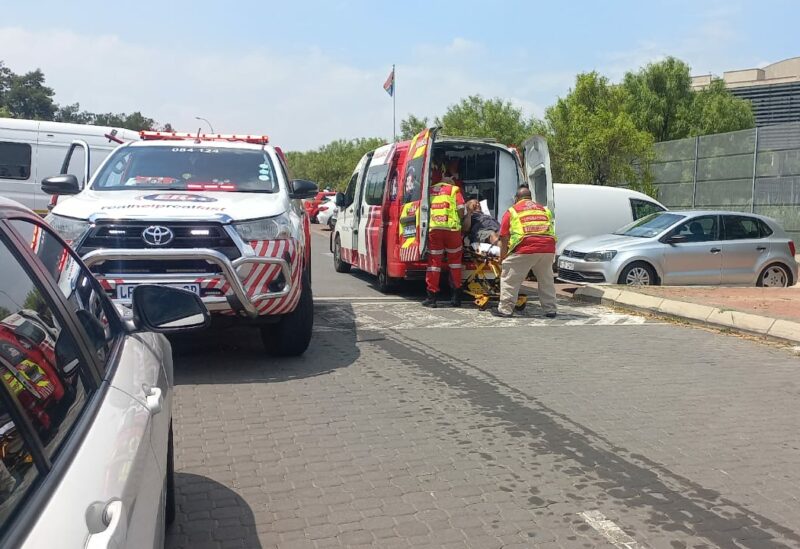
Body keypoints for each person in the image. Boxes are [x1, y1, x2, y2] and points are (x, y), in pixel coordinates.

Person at [493, 186, 557, 318]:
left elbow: (504, 238)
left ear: (516, 199)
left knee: (510, 278)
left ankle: (505, 309)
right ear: (530, 198)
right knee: (546, 280)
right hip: (547, 248)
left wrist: (503, 257)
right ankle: (550, 310)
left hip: (526, 248)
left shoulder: (512, 211)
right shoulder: (544, 210)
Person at [423, 161, 466, 308]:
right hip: (452, 230)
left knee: (434, 264)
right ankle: (456, 297)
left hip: (435, 230)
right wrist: (461, 220)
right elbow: (461, 209)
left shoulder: (430, 190)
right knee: (455, 263)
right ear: (450, 181)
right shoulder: (454, 190)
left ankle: (432, 298)